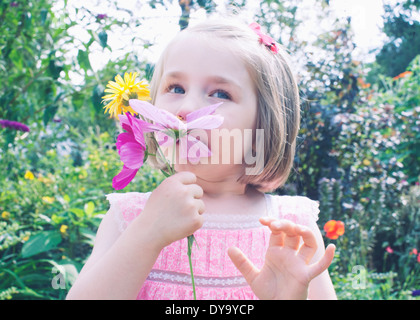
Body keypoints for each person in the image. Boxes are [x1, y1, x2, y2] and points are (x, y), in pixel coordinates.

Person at [66, 19, 337, 300]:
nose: (186, 108)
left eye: (220, 94)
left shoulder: (292, 229)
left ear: (264, 125)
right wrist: (146, 234)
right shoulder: (129, 217)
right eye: (176, 88)